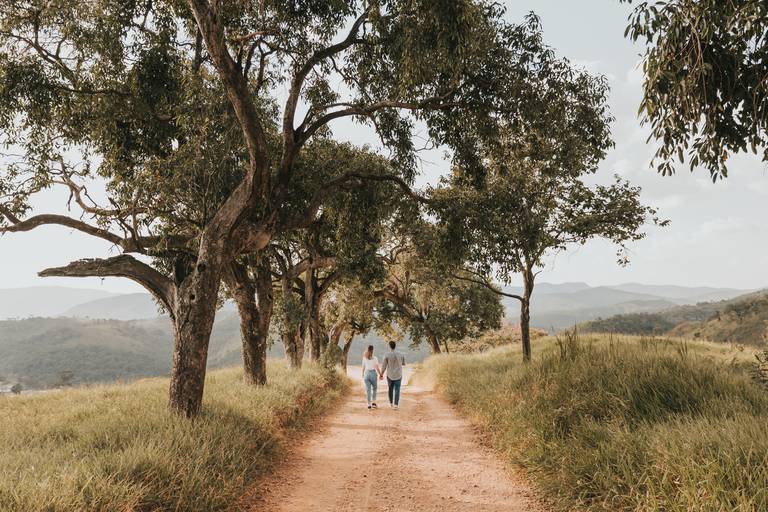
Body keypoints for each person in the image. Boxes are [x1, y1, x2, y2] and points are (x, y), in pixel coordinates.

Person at [379, 341, 406, 409]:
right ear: (395, 346)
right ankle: (396, 405)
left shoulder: (386, 354)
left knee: (390, 389)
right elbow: (403, 363)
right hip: (398, 374)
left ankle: (391, 403)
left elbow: (384, 366)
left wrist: (381, 374)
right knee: (397, 389)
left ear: (389, 346)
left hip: (390, 375)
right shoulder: (401, 354)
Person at [361, 345, 381, 410]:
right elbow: (377, 367)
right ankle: (374, 403)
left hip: (366, 373)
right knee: (374, 388)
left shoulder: (364, 358)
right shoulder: (375, 358)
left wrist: (362, 374)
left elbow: (363, 367)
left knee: (368, 390)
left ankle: (369, 404)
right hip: (373, 373)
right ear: (373, 350)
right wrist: (380, 374)